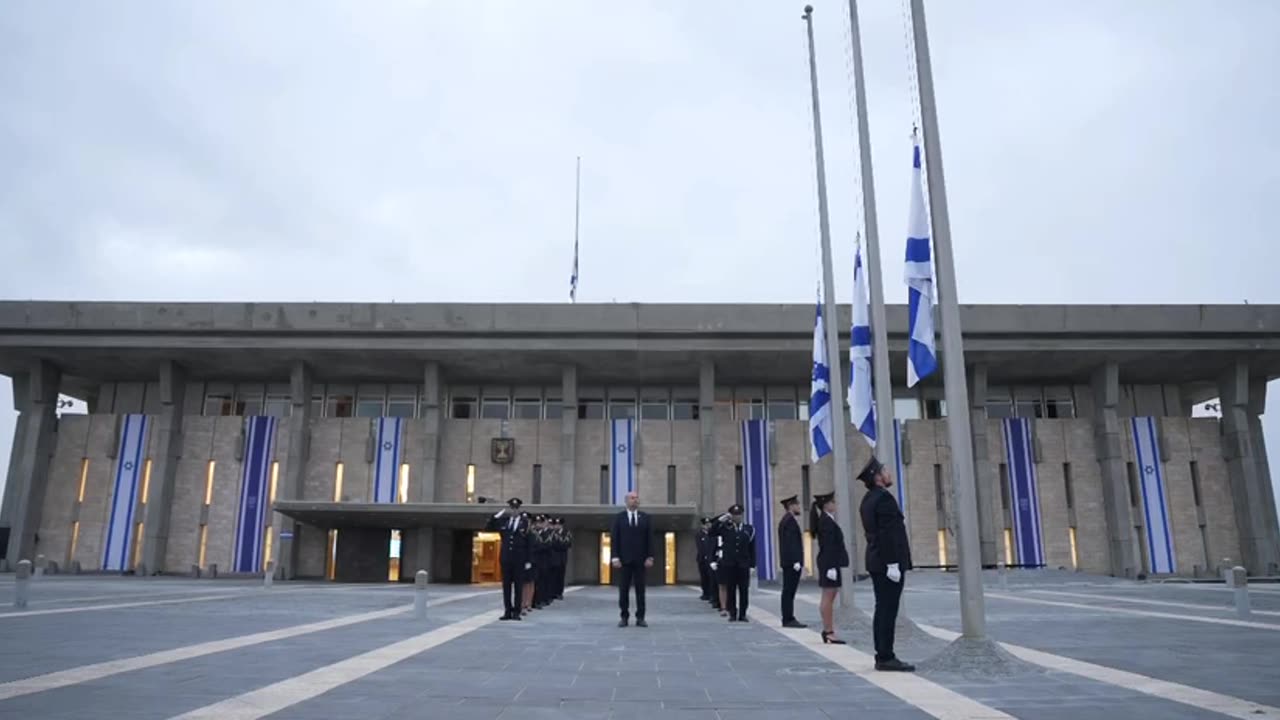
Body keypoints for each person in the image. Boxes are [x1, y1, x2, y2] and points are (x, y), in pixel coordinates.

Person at [858, 456, 915, 671]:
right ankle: (886, 656)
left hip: (876, 560)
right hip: (886, 562)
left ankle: (882, 653)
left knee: (882, 608)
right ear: (878, 477)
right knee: (887, 609)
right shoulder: (883, 499)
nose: (888, 473)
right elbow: (888, 533)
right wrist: (893, 563)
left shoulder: (868, 499)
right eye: (885, 470)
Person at [484, 497, 533, 621]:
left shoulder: (525, 523)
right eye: (512, 508)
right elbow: (488, 528)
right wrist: (495, 517)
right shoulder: (504, 522)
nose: (514, 510)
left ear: (519, 509)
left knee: (518, 586)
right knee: (506, 587)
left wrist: (528, 560)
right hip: (506, 559)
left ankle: (516, 612)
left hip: (519, 559)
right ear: (509, 509)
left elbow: (529, 543)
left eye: (516, 508)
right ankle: (507, 611)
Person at [610, 491, 653, 627]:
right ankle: (624, 617)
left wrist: (650, 557)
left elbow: (650, 539)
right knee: (623, 590)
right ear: (626, 501)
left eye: (637, 498)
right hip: (624, 561)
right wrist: (615, 557)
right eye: (632, 498)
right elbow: (615, 539)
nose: (635, 500)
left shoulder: (645, 518)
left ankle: (640, 617)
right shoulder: (619, 518)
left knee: (641, 590)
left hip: (641, 561)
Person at [812, 491, 848, 643]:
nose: (835, 504)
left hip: (830, 562)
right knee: (828, 597)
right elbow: (828, 546)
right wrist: (831, 567)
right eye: (832, 502)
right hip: (829, 563)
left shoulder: (827, 520)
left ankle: (828, 630)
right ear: (826, 505)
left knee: (829, 596)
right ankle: (828, 631)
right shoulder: (826, 522)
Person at [714, 504, 756, 622]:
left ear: (742, 515)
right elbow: (712, 532)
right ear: (730, 516)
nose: (737, 517)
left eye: (739, 515)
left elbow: (752, 548)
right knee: (731, 590)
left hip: (743, 564)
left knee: (744, 591)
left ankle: (742, 614)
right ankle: (732, 613)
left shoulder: (749, 529)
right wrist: (720, 520)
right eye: (734, 515)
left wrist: (752, 565)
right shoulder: (725, 528)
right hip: (729, 564)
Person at [777, 495, 807, 628]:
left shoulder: (788, 520)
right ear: (791, 506)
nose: (799, 507)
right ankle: (788, 618)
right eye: (797, 505)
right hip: (791, 563)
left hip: (789, 562)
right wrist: (795, 560)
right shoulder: (789, 521)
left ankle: (789, 617)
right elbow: (790, 543)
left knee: (789, 591)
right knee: (789, 591)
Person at [695, 516, 715, 604]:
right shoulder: (699, 534)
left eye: (708, 524)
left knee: (711, 577)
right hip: (702, 558)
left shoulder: (712, 534)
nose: (707, 526)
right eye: (705, 524)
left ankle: (711, 594)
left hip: (710, 559)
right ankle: (705, 593)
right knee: (704, 577)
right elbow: (700, 547)